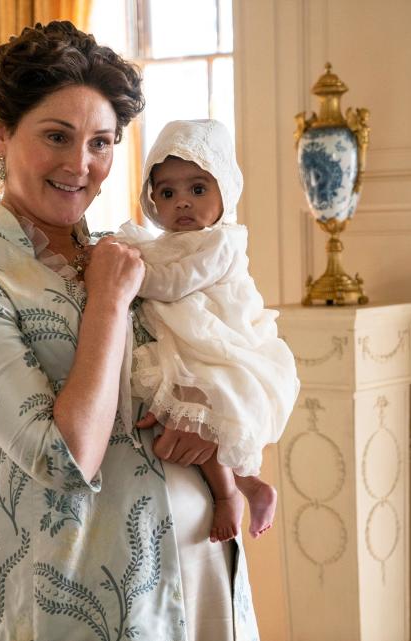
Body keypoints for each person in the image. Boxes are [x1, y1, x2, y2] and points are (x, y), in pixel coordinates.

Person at [0, 22, 260, 641]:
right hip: (75, 599)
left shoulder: (130, 254)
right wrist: (106, 300)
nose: (81, 164)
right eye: (57, 136)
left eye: (101, 142)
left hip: (201, 573)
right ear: (0, 134)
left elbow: (194, 376)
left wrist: (225, 457)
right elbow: (65, 459)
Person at [118, 119, 300, 543]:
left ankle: (227, 496)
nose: (182, 202)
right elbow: (158, 262)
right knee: (184, 411)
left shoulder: (221, 242)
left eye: (198, 189)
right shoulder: (163, 244)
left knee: (203, 411)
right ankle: (249, 486)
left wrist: (128, 277)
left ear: (224, 192)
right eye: (167, 193)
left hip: (220, 340)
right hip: (188, 339)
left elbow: (177, 281)